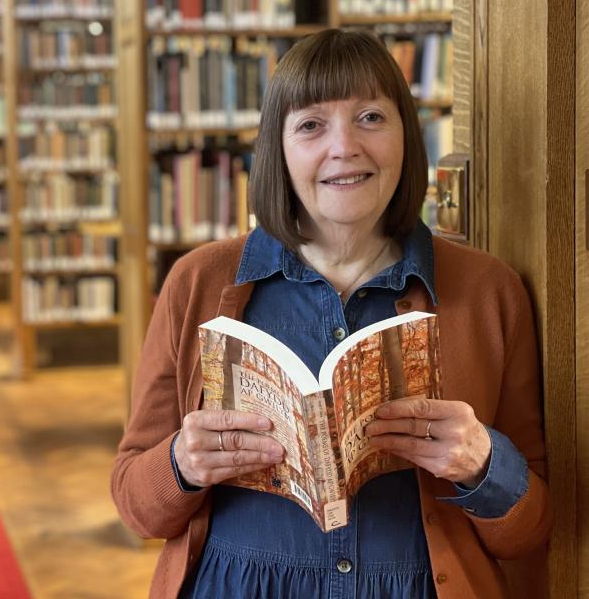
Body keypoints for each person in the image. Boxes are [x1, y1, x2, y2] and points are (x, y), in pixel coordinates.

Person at [111, 29, 550, 599]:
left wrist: (483, 465)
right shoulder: (199, 281)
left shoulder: (490, 291)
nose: (344, 147)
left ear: (406, 136)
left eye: (370, 117)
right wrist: (181, 463)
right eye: (311, 125)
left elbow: (533, 528)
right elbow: (136, 505)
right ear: (279, 149)